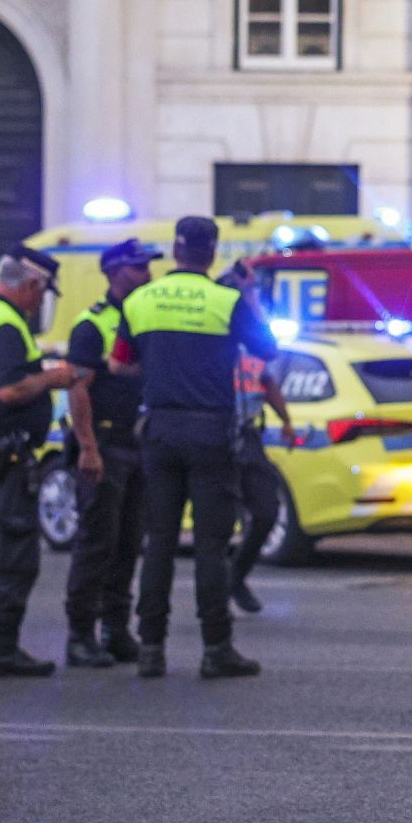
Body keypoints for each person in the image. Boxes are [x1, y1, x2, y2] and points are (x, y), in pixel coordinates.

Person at [114, 216, 278, 679]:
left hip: (160, 431)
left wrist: (161, 372)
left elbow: (119, 363)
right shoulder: (225, 301)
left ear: (175, 249)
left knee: (160, 543)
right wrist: (248, 298)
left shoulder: (141, 300)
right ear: (211, 252)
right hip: (210, 433)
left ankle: (151, 648)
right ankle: (216, 648)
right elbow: (267, 350)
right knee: (211, 545)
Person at [0, 246, 82, 676]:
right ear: (30, 285)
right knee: (13, 553)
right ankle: (1, 652)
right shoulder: (6, 325)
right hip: (2, 452)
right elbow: (9, 391)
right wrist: (54, 378)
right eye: (42, 293)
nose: (41, 302)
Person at [62, 238, 161, 669]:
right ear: (114, 273)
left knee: (128, 543)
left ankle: (116, 630)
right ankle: (81, 635)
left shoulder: (145, 318)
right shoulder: (91, 326)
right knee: (96, 543)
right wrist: (88, 448)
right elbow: (78, 389)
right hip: (103, 442)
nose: (147, 275)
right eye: (139, 268)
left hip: (137, 442)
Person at [227, 351, 297, 615]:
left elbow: (266, 381)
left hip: (247, 436)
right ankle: (215, 598)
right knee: (217, 522)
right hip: (215, 435)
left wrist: (286, 420)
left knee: (267, 511)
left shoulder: (256, 343)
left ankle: (235, 576)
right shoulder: (217, 331)